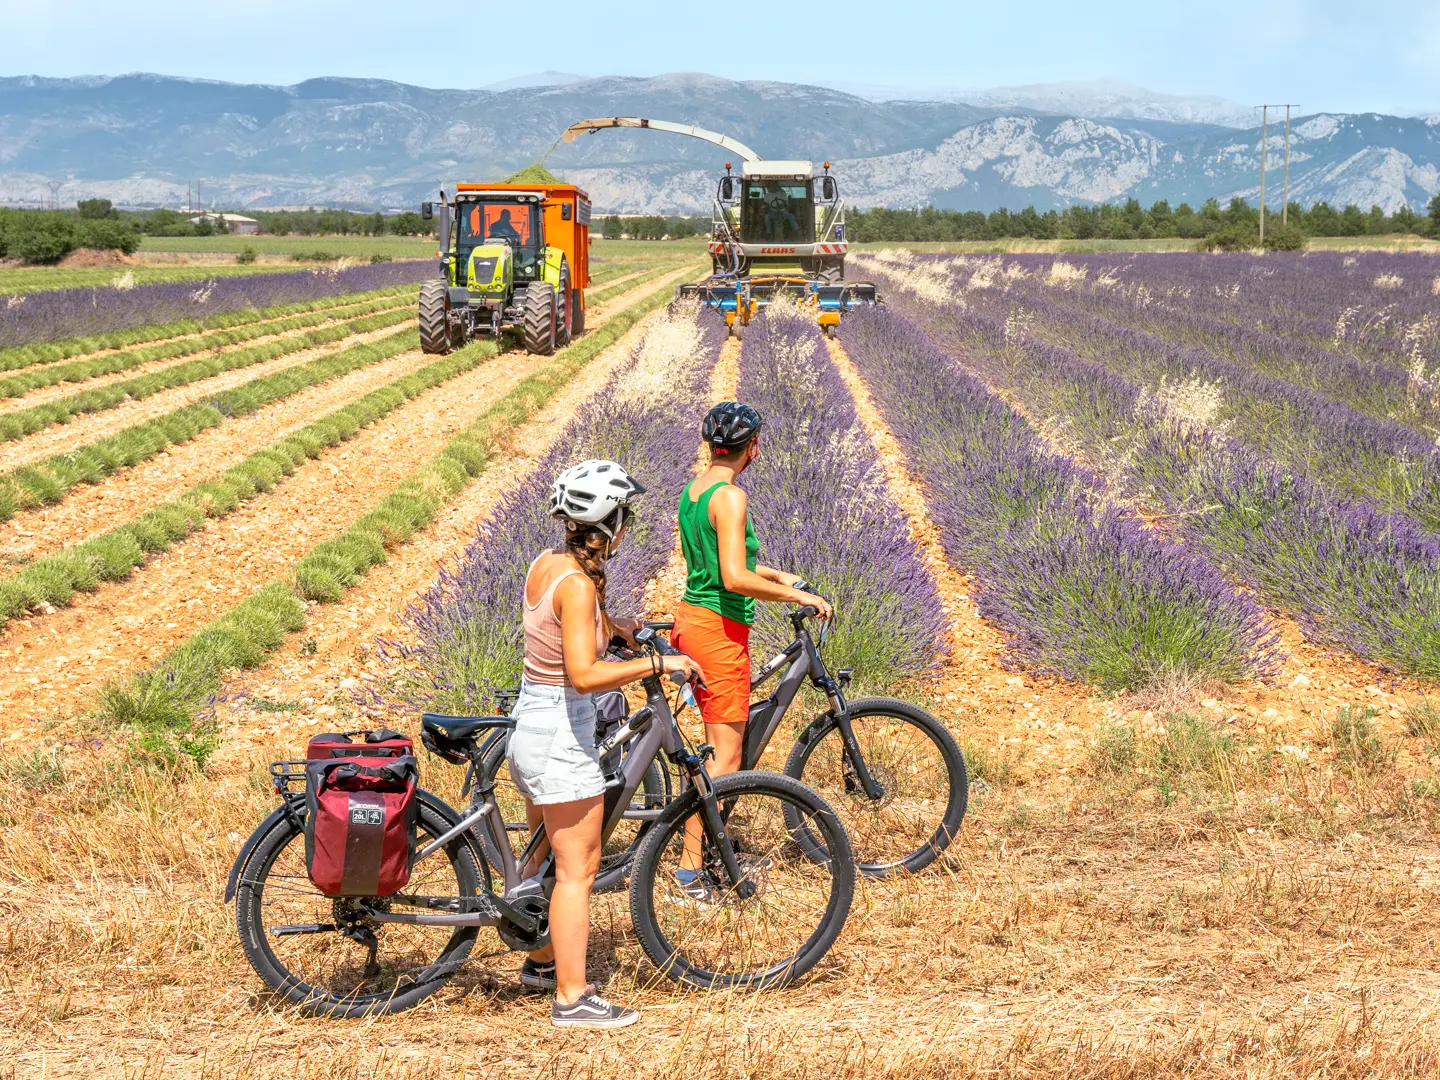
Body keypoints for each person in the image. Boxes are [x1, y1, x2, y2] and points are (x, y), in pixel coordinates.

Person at [507, 459, 704, 1029]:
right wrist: (657, 662)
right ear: (609, 521)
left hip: (533, 726)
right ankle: (572, 998)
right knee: (578, 869)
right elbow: (585, 673)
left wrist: (622, 629)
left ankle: (542, 963)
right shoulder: (575, 585)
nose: (628, 526)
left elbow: (578, 629)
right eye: (624, 516)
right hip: (560, 732)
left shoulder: (550, 566)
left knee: (544, 856)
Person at [669, 402, 832, 899]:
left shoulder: (695, 490)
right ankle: (689, 871)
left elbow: (723, 564)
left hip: (694, 618)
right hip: (717, 630)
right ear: (753, 447)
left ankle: (705, 847)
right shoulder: (732, 497)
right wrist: (799, 595)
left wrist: (778, 575)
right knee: (725, 756)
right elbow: (734, 577)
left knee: (722, 749)